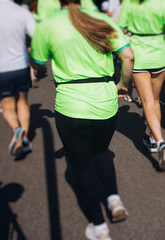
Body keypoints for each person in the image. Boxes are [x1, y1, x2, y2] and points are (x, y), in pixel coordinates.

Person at [30, 0, 133, 239]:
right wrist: (123, 85)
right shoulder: (103, 19)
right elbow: (128, 57)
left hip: (71, 105)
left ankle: (99, 227)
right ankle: (115, 202)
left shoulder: (48, 25)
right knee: (101, 152)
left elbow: (37, 62)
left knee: (80, 166)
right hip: (106, 102)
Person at [118, 0, 165, 171]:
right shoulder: (164, 2)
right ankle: (153, 139)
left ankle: (160, 142)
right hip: (160, 54)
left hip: (140, 54)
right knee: (156, 100)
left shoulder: (129, 3)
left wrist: (132, 29)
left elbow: (120, 30)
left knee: (147, 102)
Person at [0, 0, 37, 156]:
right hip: (21, 65)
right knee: (23, 102)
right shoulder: (22, 11)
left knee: (7, 106)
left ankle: (16, 130)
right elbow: (36, 34)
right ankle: (24, 140)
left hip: (1, 67)